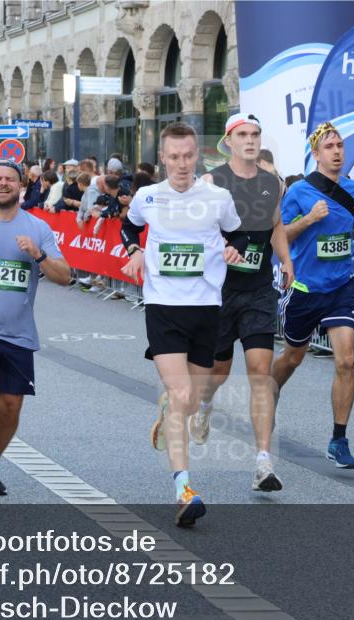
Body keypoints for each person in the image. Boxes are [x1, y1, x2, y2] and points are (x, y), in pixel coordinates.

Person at [120, 121, 246, 527]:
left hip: (207, 306)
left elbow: (239, 235)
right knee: (180, 393)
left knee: (191, 399)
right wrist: (134, 250)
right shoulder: (147, 196)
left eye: (188, 156)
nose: (181, 164)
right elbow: (129, 224)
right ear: (163, 158)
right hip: (163, 307)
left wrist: (232, 250)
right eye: (173, 157)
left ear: (198, 155)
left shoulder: (217, 197)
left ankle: (171, 408)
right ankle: (184, 489)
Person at [189, 113, 294, 492]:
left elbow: (276, 224)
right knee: (217, 371)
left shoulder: (272, 183)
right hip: (219, 291)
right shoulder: (212, 182)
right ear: (229, 142)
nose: (250, 141)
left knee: (260, 372)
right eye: (242, 135)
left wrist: (285, 259)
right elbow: (197, 231)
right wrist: (220, 248)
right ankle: (203, 407)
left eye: (255, 134)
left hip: (258, 291)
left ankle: (263, 462)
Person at [0, 160, 71, 494]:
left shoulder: (38, 228)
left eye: (10, 179)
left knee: (10, 406)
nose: (3, 184)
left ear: (21, 186)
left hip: (20, 332)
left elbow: (65, 277)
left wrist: (38, 256)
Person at [270, 121, 354, 469]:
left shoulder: (353, 189)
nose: (337, 151)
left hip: (340, 286)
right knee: (293, 357)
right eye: (330, 147)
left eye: (340, 145)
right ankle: (268, 395)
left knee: (346, 360)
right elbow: (281, 236)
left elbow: (350, 226)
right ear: (316, 154)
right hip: (306, 289)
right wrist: (308, 219)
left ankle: (339, 439)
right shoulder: (299, 192)